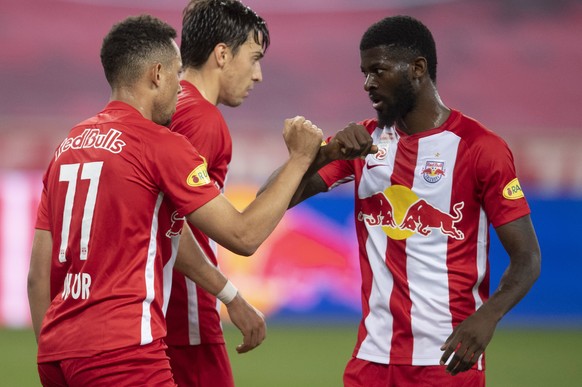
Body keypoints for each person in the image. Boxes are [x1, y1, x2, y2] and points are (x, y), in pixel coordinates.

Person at [27, 14, 323, 386]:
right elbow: (243, 235)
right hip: (124, 350)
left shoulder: (67, 146)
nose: (181, 87)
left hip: (57, 352)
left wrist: (52, 351)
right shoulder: (160, 143)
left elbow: (38, 276)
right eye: (177, 73)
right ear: (157, 75)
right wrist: (299, 160)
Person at [261, 15, 541, 386]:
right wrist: (326, 155)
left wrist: (487, 317)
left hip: (446, 359)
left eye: (377, 70)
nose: (367, 84)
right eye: (364, 73)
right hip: (370, 360)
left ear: (417, 69)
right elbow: (269, 201)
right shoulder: (363, 142)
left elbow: (527, 258)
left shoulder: (480, 148)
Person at [165, 1, 270, 386]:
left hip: (147, 311)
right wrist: (232, 298)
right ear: (222, 54)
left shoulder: (167, 104)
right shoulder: (203, 119)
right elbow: (172, 223)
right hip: (183, 310)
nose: (258, 75)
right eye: (254, 58)